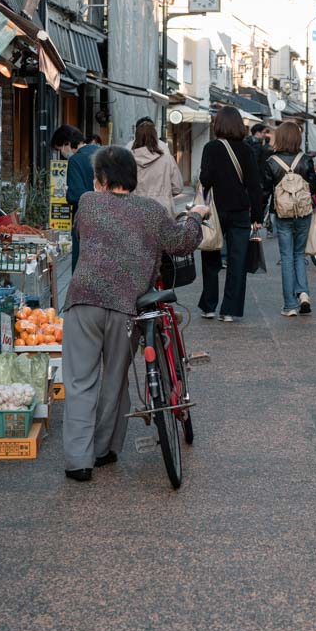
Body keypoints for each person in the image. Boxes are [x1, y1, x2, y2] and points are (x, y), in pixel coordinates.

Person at [60, 146, 206, 481]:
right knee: (114, 377)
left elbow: (87, 233)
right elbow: (181, 242)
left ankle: (78, 462)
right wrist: (196, 215)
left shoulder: (87, 202)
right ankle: (104, 450)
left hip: (84, 300)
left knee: (80, 381)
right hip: (127, 306)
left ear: (102, 179)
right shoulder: (151, 211)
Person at [197, 107, 263, 322]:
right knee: (237, 261)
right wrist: (258, 217)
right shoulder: (247, 151)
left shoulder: (211, 148)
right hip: (240, 212)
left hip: (215, 211)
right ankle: (229, 310)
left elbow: (205, 180)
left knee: (210, 255)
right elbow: (255, 186)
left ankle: (208, 306)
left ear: (218, 125)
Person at [262, 120, 316, 317]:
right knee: (300, 254)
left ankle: (290, 305)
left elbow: (265, 191)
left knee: (286, 257)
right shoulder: (306, 160)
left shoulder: (271, 162)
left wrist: (259, 215)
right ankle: (303, 293)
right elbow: (313, 187)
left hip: (283, 214)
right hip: (303, 212)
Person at [53, 125, 102, 269]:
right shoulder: (102, 153)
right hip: (107, 216)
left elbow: (75, 195)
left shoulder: (75, 160)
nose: (61, 153)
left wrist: (68, 193)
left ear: (67, 143)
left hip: (84, 219)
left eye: (60, 149)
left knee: (81, 264)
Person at [130, 118, 183, 213]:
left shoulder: (128, 160)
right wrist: (164, 194)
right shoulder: (167, 159)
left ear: (136, 137)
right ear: (155, 137)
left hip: (137, 210)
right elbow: (178, 187)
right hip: (163, 210)